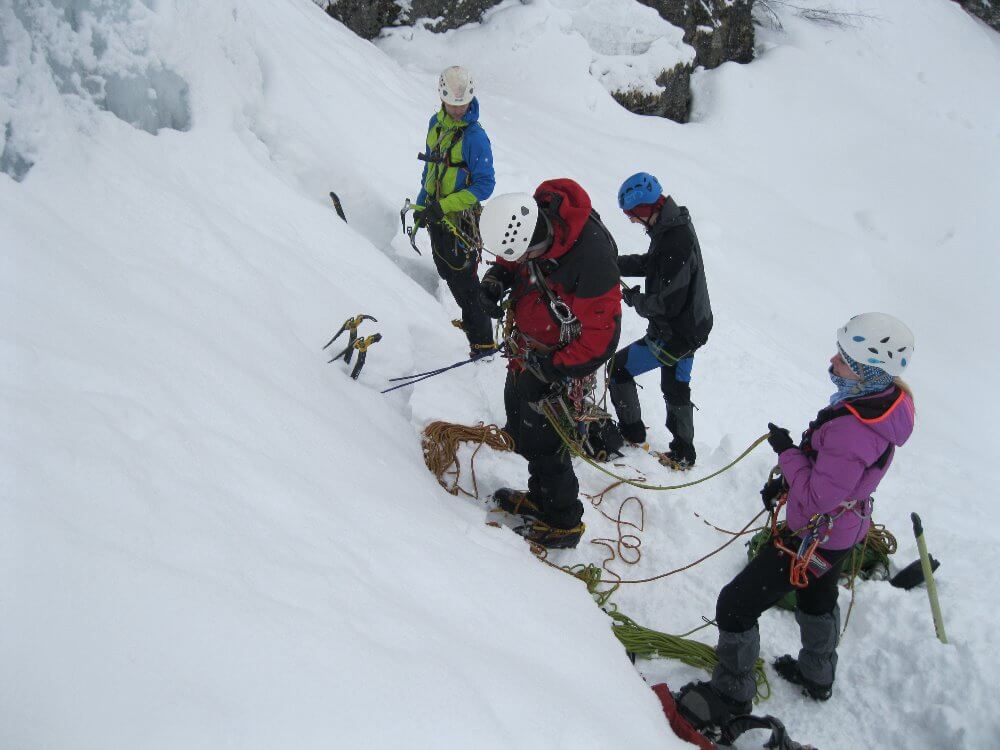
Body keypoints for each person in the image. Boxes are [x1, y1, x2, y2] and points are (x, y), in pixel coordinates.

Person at [676, 313, 916, 729]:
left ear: (864, 370)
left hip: (815, 536)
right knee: (817, 597)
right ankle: (817, 674)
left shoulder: (854, 430)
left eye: (843, 359)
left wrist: (787, 453)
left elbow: (816, 499)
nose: (833, 362)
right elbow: (832, 480)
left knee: (735, 605)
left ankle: (731, 697)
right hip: (840, 532)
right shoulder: (880, 403)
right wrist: (791, 476)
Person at [477, 179, 622, 549]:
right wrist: (498, 277)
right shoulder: (536, 217)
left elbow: (601, 338)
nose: (520, 261)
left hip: (558, 362)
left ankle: (563, 521)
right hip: (529, 351)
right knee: (523, 429)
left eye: (523, 257)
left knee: (546, 443)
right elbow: (515, 254)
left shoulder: (591, 260)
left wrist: (551, 370)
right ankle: (540, 499)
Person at [608, 172, 713, 470]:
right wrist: (614, 264)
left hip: (675, 331)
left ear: (644, 210)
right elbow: (653, 264)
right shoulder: (671, 225)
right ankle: (683, 452)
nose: (630, 221)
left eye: (631, 215)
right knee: (676, 385)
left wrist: (634, 300)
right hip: (693, 326)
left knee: (619, 368)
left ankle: (632, 432)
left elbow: (665, 304)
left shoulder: (674, 240)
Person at [413, 65, 497, 358]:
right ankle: (472, 322)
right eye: (453, 104)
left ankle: (483, 343)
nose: (458, 110)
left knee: (466, 282)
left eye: (462, 105)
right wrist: (422, 205)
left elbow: (485, 185)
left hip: (460, 221)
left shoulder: (475, 137)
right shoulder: (435, 125)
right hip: (438, 216)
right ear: (443, 98)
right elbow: (431, 170)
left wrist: (443, 206)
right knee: (447, 272)